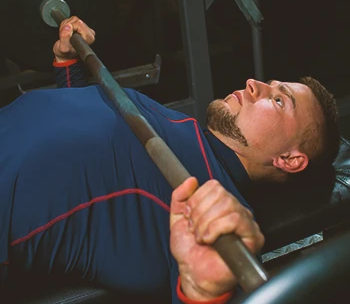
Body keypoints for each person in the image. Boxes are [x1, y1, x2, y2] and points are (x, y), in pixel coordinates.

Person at [0, 17, 340, 303]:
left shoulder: (208, 212)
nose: (254, 84)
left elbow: (203, 278)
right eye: (268, 84)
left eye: (280, 100)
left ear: (290, 159)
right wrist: (70, 64)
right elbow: (88, 128)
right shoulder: (186, 132)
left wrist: (202, 291)